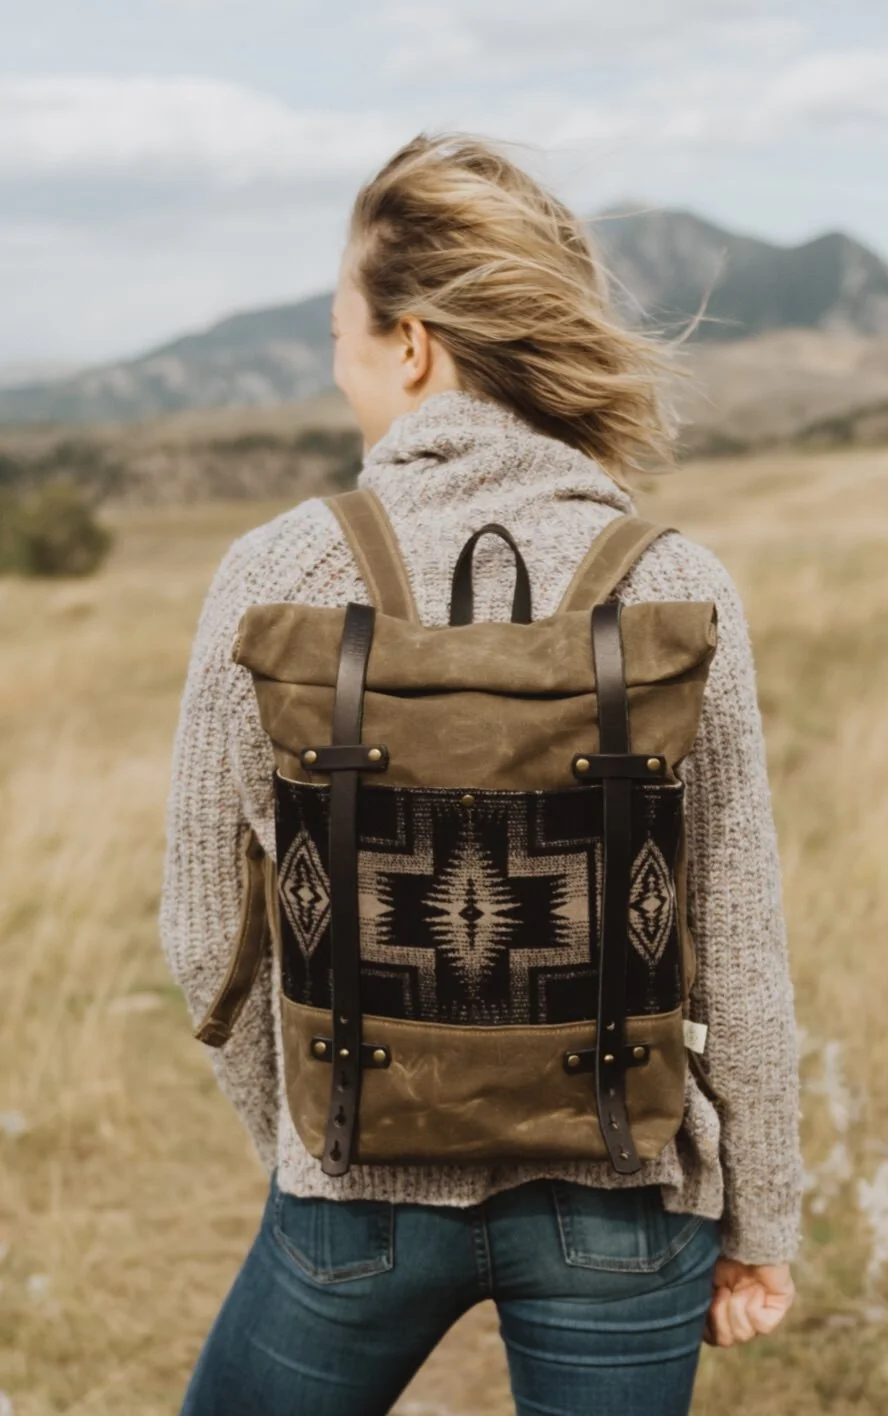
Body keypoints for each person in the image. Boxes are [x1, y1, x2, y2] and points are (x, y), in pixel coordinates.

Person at [160, 130, 802, 1416]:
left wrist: (311, 1140)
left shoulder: (275, 575)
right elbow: (735, 951)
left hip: (354, 1194)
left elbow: (201, 936)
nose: (338, 363)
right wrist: (761, 1217)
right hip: (623, 1195)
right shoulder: (671, 582)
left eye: (342, 330)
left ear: (411, 345)